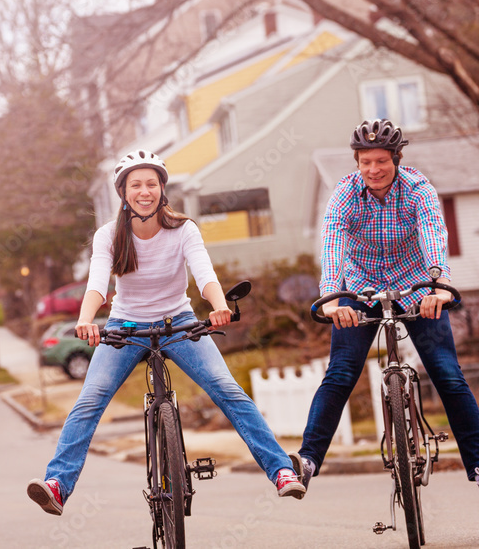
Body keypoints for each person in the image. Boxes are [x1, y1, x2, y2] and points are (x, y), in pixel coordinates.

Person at [28, 149, 305, 515]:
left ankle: (282, 471)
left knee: (227, 390)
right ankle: (57, 486)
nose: (145, 191)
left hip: (179, 323)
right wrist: (85, 318)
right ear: (124, 193)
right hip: (124, 327)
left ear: (162, 188)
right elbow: (97, 281)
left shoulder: (183, 229)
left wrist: (219, 305)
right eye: (135, 185)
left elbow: (204, 272)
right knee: (89, 400)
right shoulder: (109, 236)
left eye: (151, 183)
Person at [290, 119, 479, 508]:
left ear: (396, 158)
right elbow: (333, 243)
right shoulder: (344, 194)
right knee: (340, 373)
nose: (373, 169)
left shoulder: (418, 189)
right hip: (358, 287)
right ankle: (306, 463)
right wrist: (331, 298)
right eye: (365, 162)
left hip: (415, 287)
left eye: (381, 161)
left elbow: (433, 234)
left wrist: (438, 285)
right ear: (356, 162)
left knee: (448, 375)